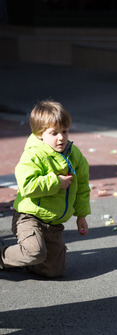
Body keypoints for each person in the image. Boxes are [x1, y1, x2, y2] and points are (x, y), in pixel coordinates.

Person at [0, 100, 90, 278]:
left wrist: (81, 215)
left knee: (55, 271)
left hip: (53, 223)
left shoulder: (74, 154)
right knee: (35, 252)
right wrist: (56, 182)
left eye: (64, 131)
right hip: (29, 217)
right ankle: (3, 257)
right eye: (54, 133)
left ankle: (30, 262)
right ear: (40, 134)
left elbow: (82, 186)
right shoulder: (33, 154)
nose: (61, 138)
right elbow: (27, 186)